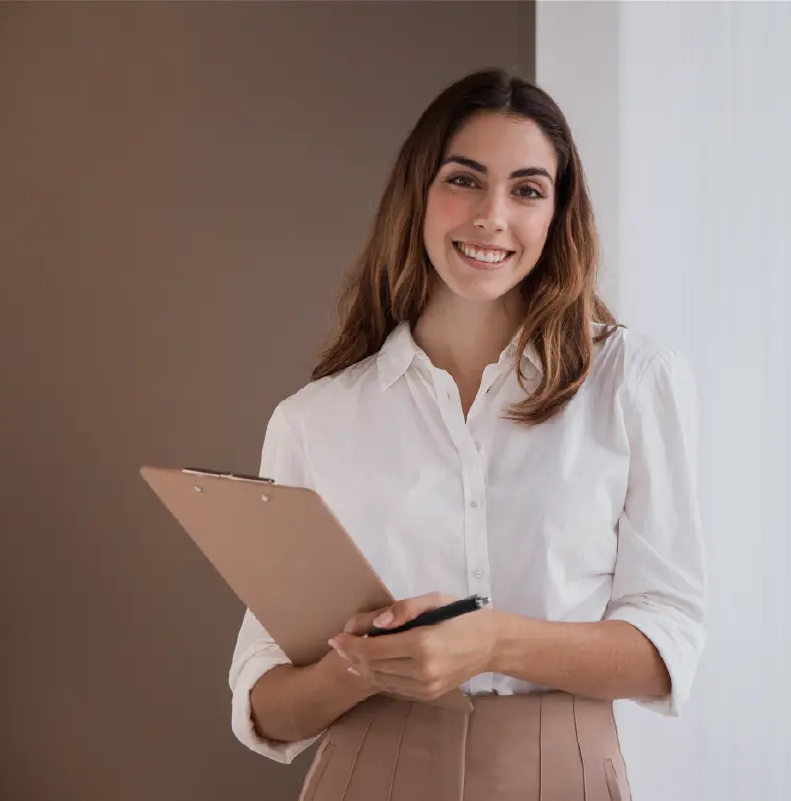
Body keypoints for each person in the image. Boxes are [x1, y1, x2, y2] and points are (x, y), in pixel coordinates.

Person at [227, 68, 707, 801]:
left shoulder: (631, 380)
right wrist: (363, 663)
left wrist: (492, 639)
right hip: (367, 772)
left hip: (564, 770)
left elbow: (667, 643)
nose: (491, 217)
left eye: (526, 189)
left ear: (557, 215)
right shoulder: (315, 419)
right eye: (464, 180)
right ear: (418, 193)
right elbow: (266, 704)